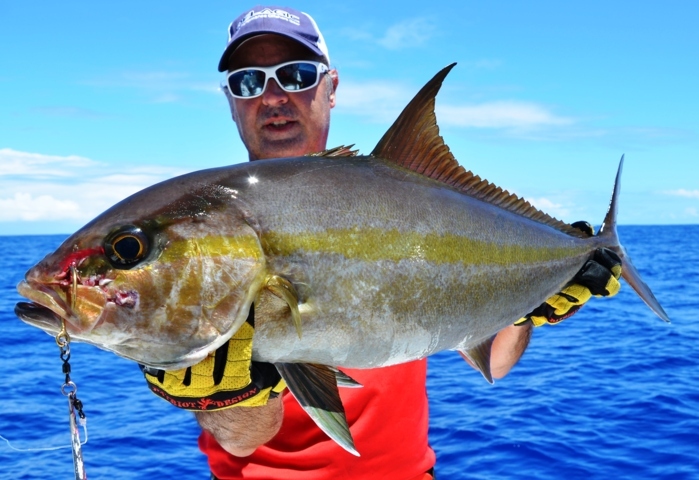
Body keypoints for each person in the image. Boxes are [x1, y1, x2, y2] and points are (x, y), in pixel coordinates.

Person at [143, 6, 622, 479]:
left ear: (331, 88)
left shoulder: (409, 201)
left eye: (296, 74)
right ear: (230, 101)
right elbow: (243, 439)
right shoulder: (199, 235)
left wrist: (522, 307)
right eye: (249, 81)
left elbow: (495, 362)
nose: (272, 96)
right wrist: (223, 396)